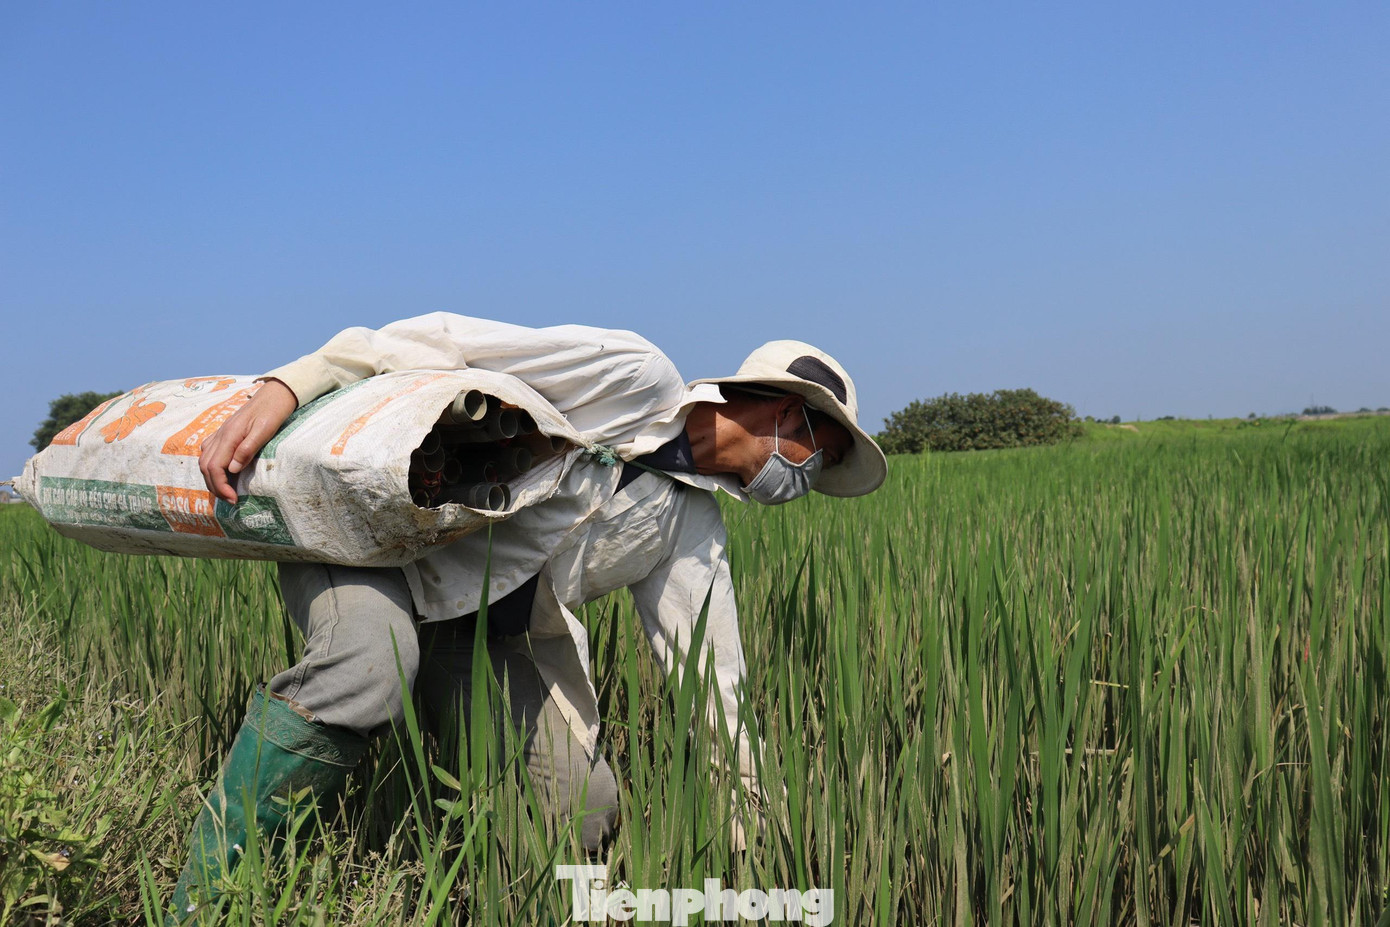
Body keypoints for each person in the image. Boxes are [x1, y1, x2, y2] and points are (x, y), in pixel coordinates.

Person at [169, 313, 887, 923]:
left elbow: (714, 686)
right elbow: (440, 339)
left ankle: (473, 891)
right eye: (816, 453)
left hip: (473, 630)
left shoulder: (690, 525)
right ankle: (204, 898)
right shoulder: (634, 376)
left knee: (583, 808)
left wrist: (766, 841)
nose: (808, 477)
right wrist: (289, 382)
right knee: (367, 664)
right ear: (783, 408)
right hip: (368, 546)